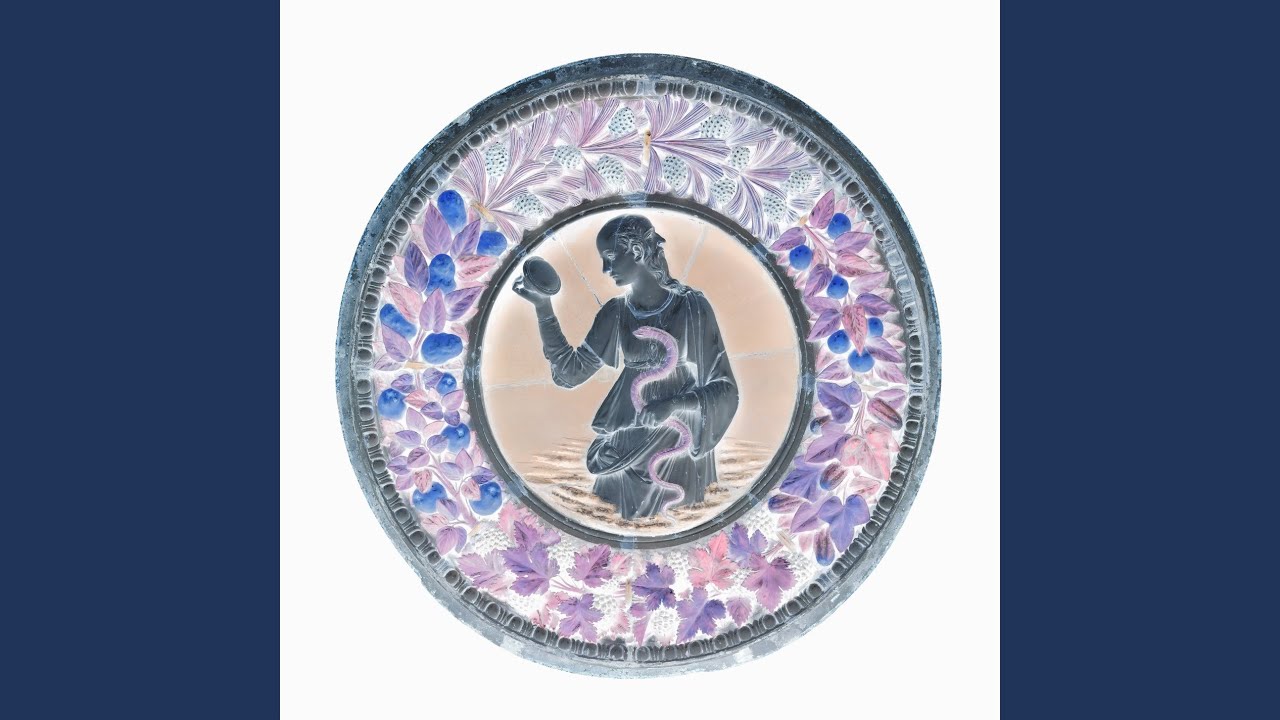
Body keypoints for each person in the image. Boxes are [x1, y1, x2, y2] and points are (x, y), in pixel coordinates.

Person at [512, 215, 739, 520]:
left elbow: (725, 389)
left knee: (677, 521)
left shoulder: (691, 308)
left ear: (637, 251)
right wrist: (543, 308)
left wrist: (673, 403)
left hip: (676, 443)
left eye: (609, 256)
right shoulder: (615, 313)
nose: (605, 269)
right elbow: (570, 372)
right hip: (624, 442)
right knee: (615, 522)